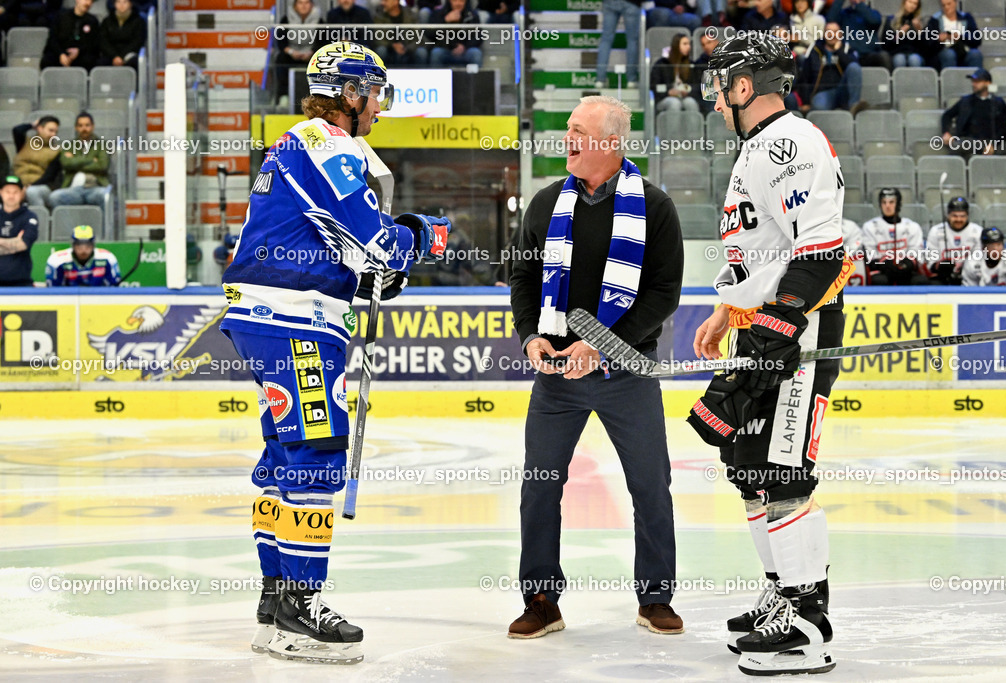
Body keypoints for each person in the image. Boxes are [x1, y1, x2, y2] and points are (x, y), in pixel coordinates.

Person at [219, 42, 450, 664]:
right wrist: (424, 233)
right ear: (350, 93)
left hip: (275, 316)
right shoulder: (326, 144)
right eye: (373, 93)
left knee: (286, 454)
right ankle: (301, 607)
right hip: (292, 322)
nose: (378, 105)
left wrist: (375, 265)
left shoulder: (304, 145)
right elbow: (380, 245)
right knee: (319, 448)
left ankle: (276, 603)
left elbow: (347, 249)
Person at [694, 33, 848, 676]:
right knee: (749, 469)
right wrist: (728, 310)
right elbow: (762, 252)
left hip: (798, 330)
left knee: (785, 476)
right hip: (763, 326)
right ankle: (781, 593)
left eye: (720, 81)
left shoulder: (790, 143)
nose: (713, 93)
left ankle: (808, 621)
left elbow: (820, 253)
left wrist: (776, 328)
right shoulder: (756, 148)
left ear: (745, 85)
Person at [507, 95, 684, 640]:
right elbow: (522, 279)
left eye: (578, 130)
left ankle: (655, 598)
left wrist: (603, 346)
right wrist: (531, 335)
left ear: (609, 142)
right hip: (557, 375)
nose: (567, 137)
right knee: (539, 486)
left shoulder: (654, 208)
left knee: (650, 485)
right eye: (567, 128)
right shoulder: (543, 204)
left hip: (625, 373)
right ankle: (541, 601)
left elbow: (663, 294)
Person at [860, 188, 928, 285]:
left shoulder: (912, 226)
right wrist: (885, 263)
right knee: (879, 281)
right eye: (884, 202)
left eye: (891, 202)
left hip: (906, 270)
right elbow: (870, 256)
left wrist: (907, 263)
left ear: (898, 204)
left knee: (921, 281)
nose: (887, 206)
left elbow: (917, 253)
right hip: (882, 271)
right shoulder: (870, 226)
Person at [48, 112, 111, 213]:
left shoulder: (102, 145)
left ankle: (104, 229)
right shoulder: (69, 145)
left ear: (93, 126)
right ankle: (66, 228)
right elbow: (66, 164)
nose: (84, 128)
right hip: (73, 189)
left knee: (106, 196)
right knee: (54, 197)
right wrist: (90, 160)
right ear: (76, 128)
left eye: (87, 125)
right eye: (80, 125)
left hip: (95, 188)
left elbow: (102, 166)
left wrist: (75, 162)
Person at [941, 69, 1006, 158]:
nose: (974, 84)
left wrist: (993, 144)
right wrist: (946, 132)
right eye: (973, 82)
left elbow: (1004, 127)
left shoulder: (998, 103)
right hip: (970, 140)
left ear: (987, 83)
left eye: (977, 82)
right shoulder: (966, 101)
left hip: (992, 141)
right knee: (958, 145)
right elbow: (947, 115)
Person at [798, 23, 865, 114]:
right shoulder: (815, 50)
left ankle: (854, 108)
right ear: (824, 34)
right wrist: (805, 101)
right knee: (818, 106)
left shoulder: (847, 49)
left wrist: (839, 52)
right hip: (823, 92)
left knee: (854, 67)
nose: (832, 35)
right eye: (829, 32)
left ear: (840, 34)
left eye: (835, 32)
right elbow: (805, 77)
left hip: (843, 90)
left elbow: (855, 70)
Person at [924, 196, 983, 284]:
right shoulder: (936, 231)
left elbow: (979, 261)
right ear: (948, 215)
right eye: (954, 216)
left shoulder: (978, 231)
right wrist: (941, 265)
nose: (958, 219)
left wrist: (963, 267)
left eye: (962, 216)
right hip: (943, 277)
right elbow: (930, 262)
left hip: (970, 277)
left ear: (967, 215)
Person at [274, 0, 321, 103]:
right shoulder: (285, 20)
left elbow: (322, 42)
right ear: (295, 6)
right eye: (300, 3)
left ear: (311, 5)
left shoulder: (320, 21)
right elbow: (281, 42)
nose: (303, 6)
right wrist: (291, 52)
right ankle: (284, 96)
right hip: (291, 55)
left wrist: (311, 53)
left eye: (306, 3)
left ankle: (318, 96)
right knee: (280, 59)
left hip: (311, 55)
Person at [45, 224, 121, 286]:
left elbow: (114, 288)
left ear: (93, 245)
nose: (83, 250)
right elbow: (53, 292)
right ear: (73, 245)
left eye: (87, 245)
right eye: (79, 245)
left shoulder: (107, 258)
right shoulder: (57, 261)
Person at [12, 116, 61, 207]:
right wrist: (32, 125)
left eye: (55, 132)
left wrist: (28, 187)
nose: (53, 135)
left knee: (32, 192)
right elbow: (17, 130)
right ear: (39, 128)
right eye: (50, 130)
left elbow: (49, 176)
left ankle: (40, 219)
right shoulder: (24, 143)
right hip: (19, 183)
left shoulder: (56, 151)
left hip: (41, 186)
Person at [0, 175, 40, 287]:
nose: (11, 195)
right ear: (1, 192)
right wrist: (14, 242)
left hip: (21, 283)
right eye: (8, 191)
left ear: (22, 193)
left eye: (15, 192)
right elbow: (18, 244)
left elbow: (23, 244)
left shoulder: (29, 217)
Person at [41, 0, 101, 71]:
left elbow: (93, 43)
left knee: (90, 61)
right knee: (48, 60)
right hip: (61, 52)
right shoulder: (61, 16)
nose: (88, 3)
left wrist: (79, 51)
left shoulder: (92, 21)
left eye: (90, 1)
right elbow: (53, 39)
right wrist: (61, 54)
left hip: (81, 54)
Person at [828, 0, 888, 70]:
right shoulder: (844, 14)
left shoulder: (872, 13)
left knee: (884, 57)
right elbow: (830, 22)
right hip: (848, 55)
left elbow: (874, 21)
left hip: (868, 55)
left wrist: (858, 4)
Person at [924, 0, 982, 71]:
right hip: (943, 52)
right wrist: (938, 40)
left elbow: (977, 39)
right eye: (943, 5)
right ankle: (949, 80)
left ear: (956, 3)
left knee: (975, 54)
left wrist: (961, 37)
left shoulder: (966, 17)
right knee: (949, 54)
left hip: (964, 51)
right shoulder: (935, 20)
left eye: (949, 4)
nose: (946, 7)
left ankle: (978, 80)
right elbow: (927, 44)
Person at [651, 32, 700, 113]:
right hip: (664, 98)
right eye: (685, 44)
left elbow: (697, 85)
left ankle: (694, 126)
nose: (688, 47)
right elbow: (654, 86)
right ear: (676, 46)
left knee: (690, 103)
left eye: (689, 44)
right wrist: (668, 92)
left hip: (685, 97)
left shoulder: (691, 65)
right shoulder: (662, 64)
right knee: (674, 103)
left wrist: (688, 91)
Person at [596, 0, 641, 87]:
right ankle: (631, 80)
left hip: (610, 2)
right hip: (631, 3)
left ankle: (600, 79)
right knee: (632, 41)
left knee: (606, 40)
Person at [428, 0, 483, 68]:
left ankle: (475, 78)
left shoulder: (472, 15)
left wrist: (464, 46)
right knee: (436, 53)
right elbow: (430, 34)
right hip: (446, 50)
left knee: (475, 53)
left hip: (465, 50)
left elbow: (478, 37)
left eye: (461, 1)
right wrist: (445, 21)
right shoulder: (438, 13)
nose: (458, 4)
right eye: (455, 1)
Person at [374, 0, 426, 67]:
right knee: (381, 50)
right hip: (389, 49)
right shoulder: (379, 16)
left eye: (386, 1)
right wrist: (392, 45)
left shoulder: (410, 15)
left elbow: (418, 38)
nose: (382, 3)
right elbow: (377, 38)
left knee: (421, 52)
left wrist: (406, 48)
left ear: (396, 2)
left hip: (408, 49)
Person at [99, 0, 145, 69]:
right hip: (111, 55)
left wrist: (121, 56)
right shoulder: (107, 21)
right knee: (100, 62)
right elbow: (103, 40)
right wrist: (114, 56)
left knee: (135, 62)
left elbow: (137, 41)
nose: (121, 5)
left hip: (129, 54)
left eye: (125, 2)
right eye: (118, 2)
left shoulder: (138, 21)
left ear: (130, 4)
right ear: (114, 4)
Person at [883, 0, 925, 69]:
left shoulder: (920, 22)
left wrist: (920, 32)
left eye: (915, 4)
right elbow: (885, 44)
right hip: (896, 53)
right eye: (910, 2)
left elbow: (926, 47)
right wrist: (898, 35)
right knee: (899, 59)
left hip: (915, 53)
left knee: (914, 60)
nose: (912, 6)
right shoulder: (892, 20)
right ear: (904, 2)